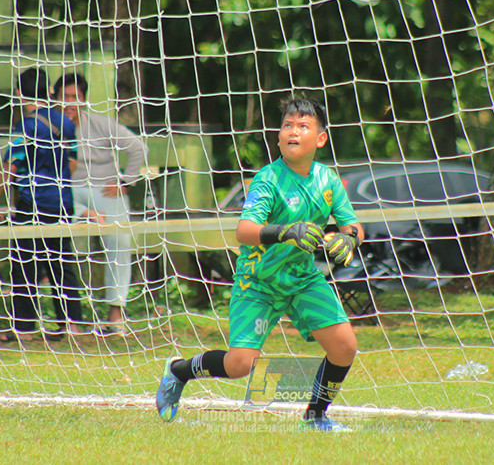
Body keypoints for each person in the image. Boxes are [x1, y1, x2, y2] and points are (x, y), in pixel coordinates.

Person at [155, 96, 364, 431]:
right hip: (259, 282)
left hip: (302, 279)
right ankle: (179, 370)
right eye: (287, 126)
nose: (293, 132)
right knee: (240, 364)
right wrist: (285, 231)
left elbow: (352, 224)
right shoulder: (267, 179)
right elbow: (245, 231)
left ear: (320, 139)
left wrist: (350, 238)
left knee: (345, 346)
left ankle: (315, 415)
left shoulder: (328, 180)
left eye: (303, 126)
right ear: (279, 137)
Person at [0, 67, 89, 342]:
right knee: (61, 263)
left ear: (19, 93)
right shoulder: (65, 123)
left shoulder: (26, 126)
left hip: (33, 203)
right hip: (62, 202)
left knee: (24, 263)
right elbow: (73, 161)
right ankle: (71, 324)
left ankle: (25, 328)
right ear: (50, 92)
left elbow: (11, 167)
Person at [53, 72, 146, 335]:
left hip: (105, 191)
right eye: (64, 97)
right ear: (55, 99)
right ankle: (69, 316)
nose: (70, 103)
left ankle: (115, 312)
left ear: (84, 100)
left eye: (75, 97)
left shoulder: (101, 124)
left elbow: (139, 148)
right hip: (66, 192)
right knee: (55, 236)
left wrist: (126, 182)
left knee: (120, 239)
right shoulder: (48, 125)